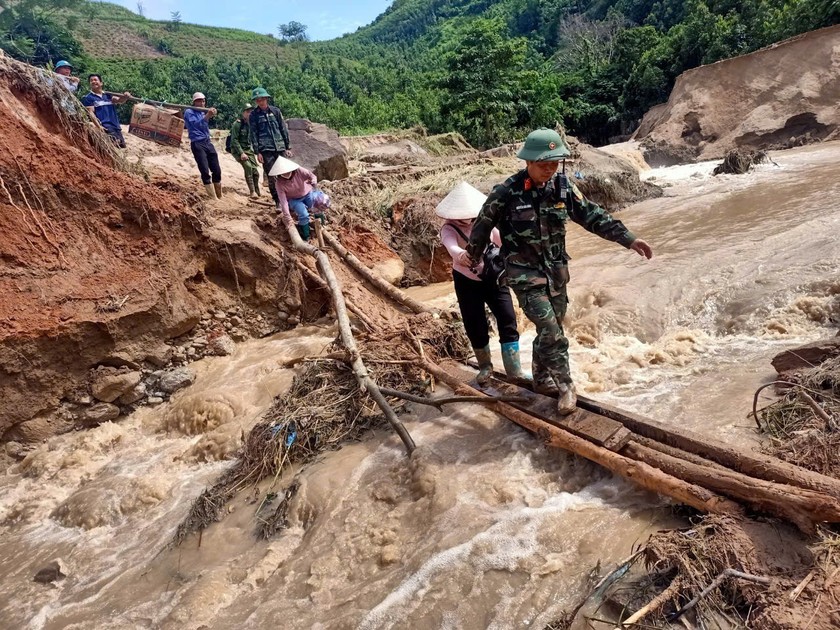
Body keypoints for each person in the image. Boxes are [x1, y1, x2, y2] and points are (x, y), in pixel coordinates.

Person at [465, 128, 653, 416]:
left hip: (556, 273)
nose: (550, 169)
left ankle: (541, 379)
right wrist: (473, 256)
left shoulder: (563, 188)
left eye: (555, 163)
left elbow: (593, 215)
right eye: (544, 164)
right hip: (524, 275)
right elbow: (481, 226)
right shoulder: (505, 193)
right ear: (528, 161)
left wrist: (628, 238)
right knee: (552, 331)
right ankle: (566, 386)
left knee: (550, 330)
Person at [437, 182, 525, 385]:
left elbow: (504, 243)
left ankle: (515, 370)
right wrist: (461, 255)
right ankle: (485, 368)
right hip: (466, 281)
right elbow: (451, 246)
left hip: (494, 277)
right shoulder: (448, 228)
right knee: (474, 324)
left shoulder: (486, 222)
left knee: (507, 318)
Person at [248, 87, 292, 206]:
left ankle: (289, 199)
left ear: (267, 98)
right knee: (272, 176)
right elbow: (253, 134)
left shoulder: (275, 111)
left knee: (285, 174)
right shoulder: (254, 115)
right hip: (265, 149)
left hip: (280, 147)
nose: (260, 101)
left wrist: (288, 147)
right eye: (257, 100)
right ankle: (278, 201)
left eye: (262, 99)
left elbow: (283, 129)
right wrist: (258, 152)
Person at [183, 92, 222, 200]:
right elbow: (197, 125)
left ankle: (219, 195)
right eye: (199, 101)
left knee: (217, 170)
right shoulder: (189, 112)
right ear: (194, 102)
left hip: (207, 142)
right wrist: (207, 116)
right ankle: (213, 197)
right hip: (197, 143)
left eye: (203, 101)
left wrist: (210, 114)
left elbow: (205, 125)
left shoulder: (203, 112)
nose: (201, 103)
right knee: (205, 170)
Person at [268, 156, 317, 241]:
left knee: (317, 207)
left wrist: (313, 181)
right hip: (294, 200)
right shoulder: (279, 183)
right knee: (304, 214)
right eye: (283, 173)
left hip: (307, 193)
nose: (286, 174)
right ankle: (306, 236)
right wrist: (288, 218)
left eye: (287, 171)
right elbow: (283, 201)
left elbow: (312, 176)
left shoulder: (299, 171)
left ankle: (321, 225)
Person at [81, 74, 131, 148]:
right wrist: (99, 126)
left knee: (121, 146)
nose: (93, 82)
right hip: (105, 125)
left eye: (95, 80)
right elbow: (90, 113)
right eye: (91, 81)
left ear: (101, 83)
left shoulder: (108, 95)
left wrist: (126, 96)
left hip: (116, 125)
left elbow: (120, 101)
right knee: (114, 144)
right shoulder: (89, 97)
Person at [229, 103, 260, 199]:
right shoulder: (237, 124)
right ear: (243, 113)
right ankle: (252, 192)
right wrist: (241, 153)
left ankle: (257, 190)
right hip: (238, 150)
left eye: (251, 111)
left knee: (256, 172)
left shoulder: (251, 124)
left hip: (248, 149)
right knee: (248, 167)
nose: (249, 113)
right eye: (247, 111)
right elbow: (234, 140)